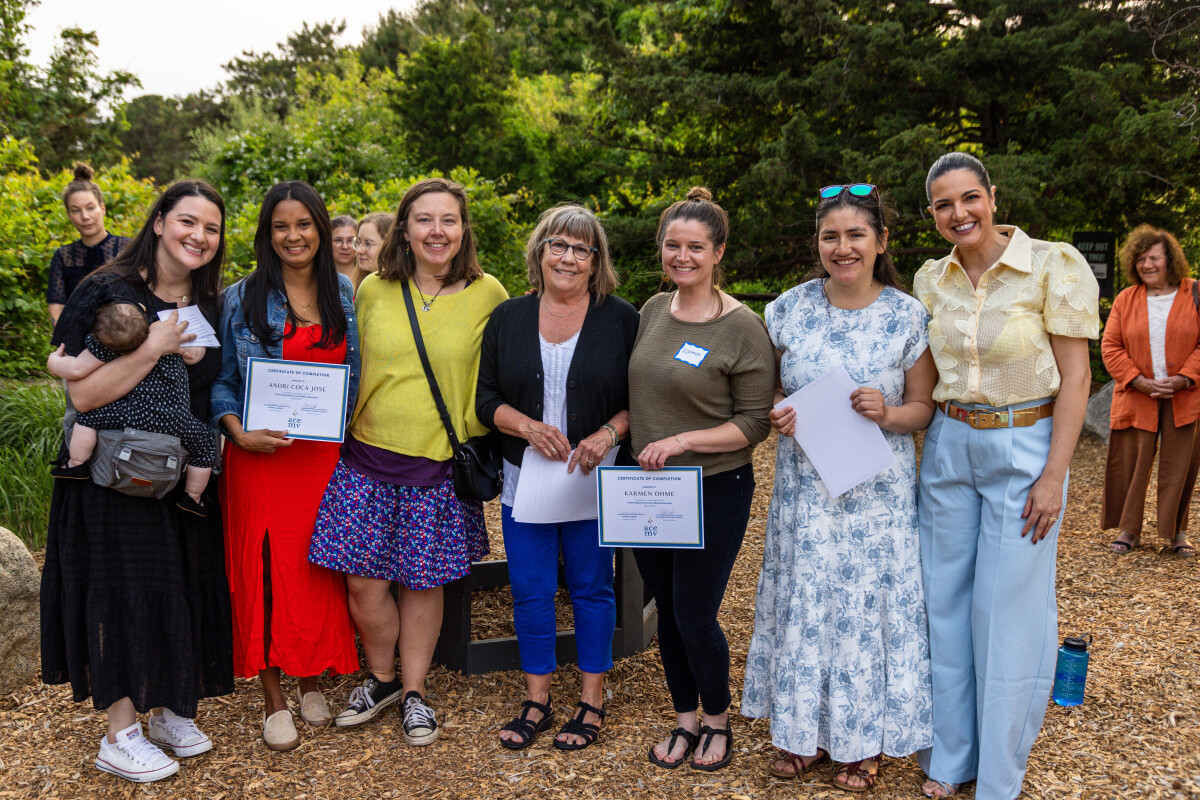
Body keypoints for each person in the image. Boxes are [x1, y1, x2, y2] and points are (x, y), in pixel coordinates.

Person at [913, 153, 1099, 800]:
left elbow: (1078, 377)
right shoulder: (930, 280)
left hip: (1026, 445)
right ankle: (951, 755)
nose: (958, 213)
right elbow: (920, 375)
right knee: (944, 604)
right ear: (931, 213)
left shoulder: (1052, 264)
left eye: (969, 198)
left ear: (992, 196)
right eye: (943, 204)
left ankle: (997, 776)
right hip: (947, 445)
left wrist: (1055, 474)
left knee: (1007, 613)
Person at [741, 184, 937, 792]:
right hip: (806, 490)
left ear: (882, 241)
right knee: (809, 604)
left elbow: (926, 407)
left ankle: (864, 740)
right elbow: (769, 390)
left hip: (877, 497)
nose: (843, 247)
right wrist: (778, 412)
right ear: (818, 244)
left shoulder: (908, 314)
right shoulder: (788, 308)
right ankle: (805, 734)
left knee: (865, 614)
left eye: (856, 235)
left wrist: (888, 412)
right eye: (831, 236)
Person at [40, 180, 233, 783]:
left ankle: (169, 708)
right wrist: (151, 346)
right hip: (112, 478)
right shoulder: (108, 291)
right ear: (158, 223)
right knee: (122, 592)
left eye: (211, 228)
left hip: (177, 472)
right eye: (187, 222)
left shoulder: (211, 301)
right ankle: (119, 733)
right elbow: (82, 390)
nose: (199, 236)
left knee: (177, 586)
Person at [309, 178, 508, 746]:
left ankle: (416, 691)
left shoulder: (488, 293)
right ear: (405, 229)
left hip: (439, 465)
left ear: (464, 229)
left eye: (448, 220)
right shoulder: (372, 289)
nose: (436, 231)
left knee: (422, 585)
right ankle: (383, 677)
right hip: (365, 459)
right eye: (424, 220)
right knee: (365, 587)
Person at [476, 204, 639, 751]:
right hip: (528, 479)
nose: (567, 257)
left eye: (581, 249)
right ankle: (537, 698)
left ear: (596, 262)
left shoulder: (621, 319)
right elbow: (486, 400)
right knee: (530, 590)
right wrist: (525, 425)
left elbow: (638, 402)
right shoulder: (508, 318)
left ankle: (592, 699)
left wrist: (608, 435)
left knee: (593, 587)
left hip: (594, 478)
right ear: (540, 252)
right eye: (557, 245)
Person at [628, 187, 775, 772]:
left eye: (695, 247)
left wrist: (684, 441)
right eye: (673, 245)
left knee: (694, 612)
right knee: (667, 607)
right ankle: (684, 719)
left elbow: (755, 422)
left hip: (714, 486)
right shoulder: (651, 312)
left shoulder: (742, 326)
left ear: (718, 253)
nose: (681, 256)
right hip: (648, 491)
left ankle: (718, 721)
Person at [209, 181, 360, 751]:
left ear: (320, 229)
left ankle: (310, 674)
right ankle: (273, 695)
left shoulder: (343, 293)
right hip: (258, 457)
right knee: (264, 567)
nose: (293, 236)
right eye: (281, 226)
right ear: (266, 234)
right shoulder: (241, 298)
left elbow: (354, 376)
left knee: (316, 566)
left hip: (321, 457)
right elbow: (222, 381)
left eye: (303, 224)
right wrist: (238, 432)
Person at [46, 301, 214, 515]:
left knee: (87, 418)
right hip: (176, 418)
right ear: (143, 312)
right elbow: (194, 356)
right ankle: (192, 496)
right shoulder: (164, 338)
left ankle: (77, 463)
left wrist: (53, 362)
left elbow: (75, 370)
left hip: (130, 413)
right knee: (205, 446)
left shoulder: (107, 345)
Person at [1102, 225, 1200, 557]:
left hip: (1183, 398)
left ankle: (1178, 533)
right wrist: (1138, 380)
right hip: (1137, 395)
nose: (1147, 265)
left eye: (1154, 258)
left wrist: (1185, 378)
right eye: (1141, 259)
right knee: (1131, 464)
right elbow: (1111, 347)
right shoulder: (1125, 299)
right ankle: (1129, 530)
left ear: (1169, 259)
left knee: (1180, 467)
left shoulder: (1195, 293)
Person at [47, 163, 131, 327]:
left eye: (90, 208)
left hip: (126, 337)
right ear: (69, 215)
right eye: (76, 210)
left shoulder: (128, 248)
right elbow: (56, 306)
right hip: (76, 342)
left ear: (102, 209)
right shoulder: (63, 257)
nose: (85, 216)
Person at [351, 212, 393, 292]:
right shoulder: (357, 287)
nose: (359, 250)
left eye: (368, 244)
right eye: (358, 242)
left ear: (389, 246)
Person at [331, 214, 359, 284]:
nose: (345, 247)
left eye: (350, 240)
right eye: (338, 240)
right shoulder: (315, 278)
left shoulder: (367, 279)